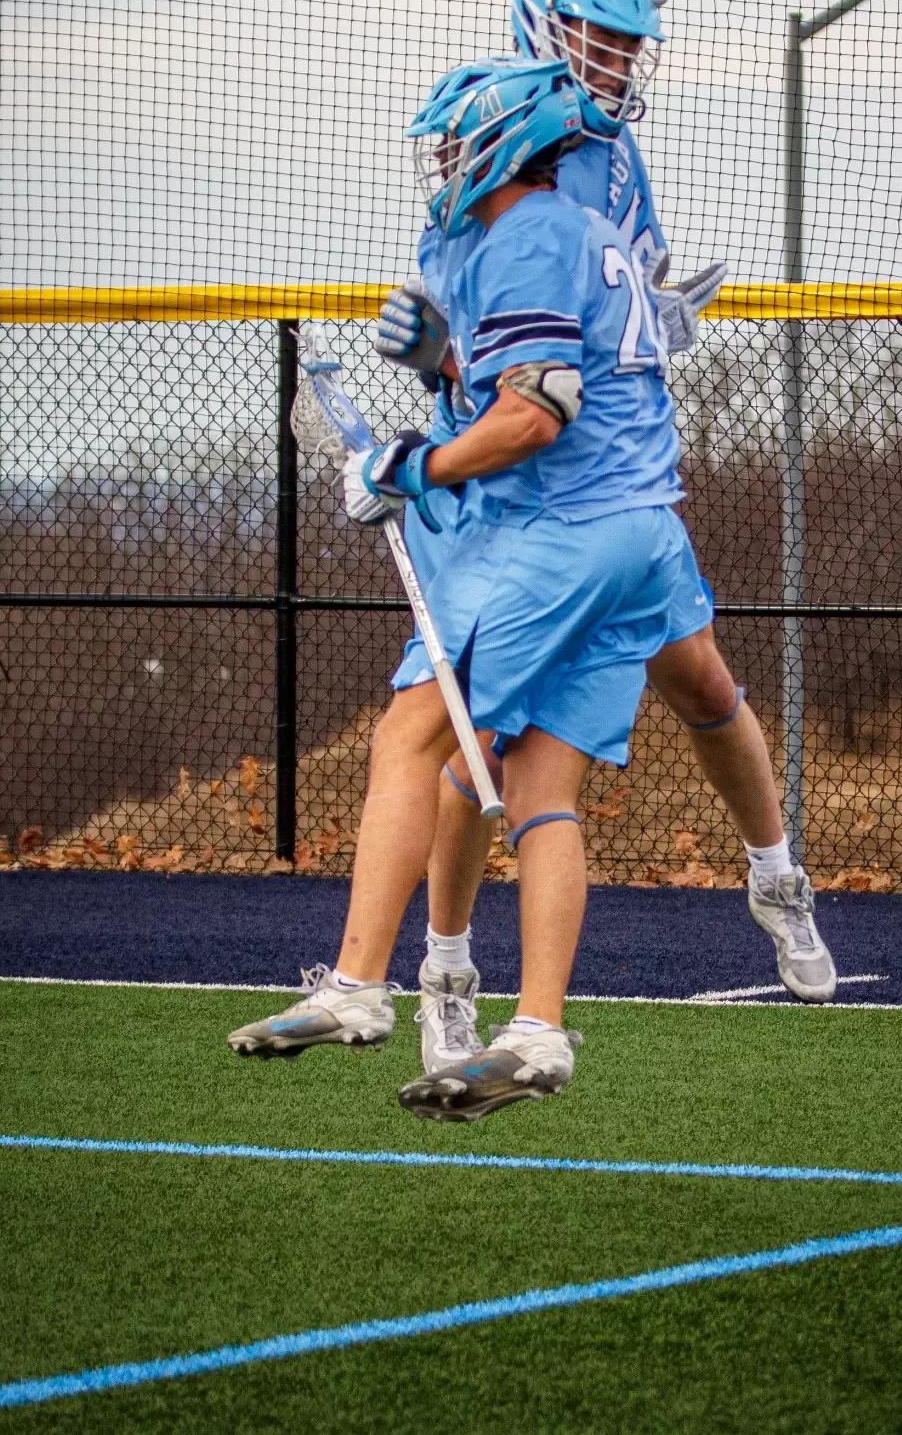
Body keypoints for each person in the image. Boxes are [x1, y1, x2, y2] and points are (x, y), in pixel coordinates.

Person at [375, 0, 837, 1080]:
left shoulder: (599, 113)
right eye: (604, 42)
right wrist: (442, 389)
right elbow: (462, 325)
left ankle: (773, 875)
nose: (625, 54)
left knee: (695, 678)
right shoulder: (513, 148)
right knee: (488, 742)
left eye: (630, 44)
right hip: (530, 470)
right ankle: (449, 970)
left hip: (614, 460)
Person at [229, 57, 707, 1122]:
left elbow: (541, 408)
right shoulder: (577, 229)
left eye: (454, 142)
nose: (440, 161)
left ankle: (357, 985)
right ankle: (537, 1028)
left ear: (501, 142)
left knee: (412, 733)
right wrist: (447, 376)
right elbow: (517, 385)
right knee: (539, 785)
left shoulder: (529, 228)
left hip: (567, 531)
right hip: (639, 532)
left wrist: (411, 465)